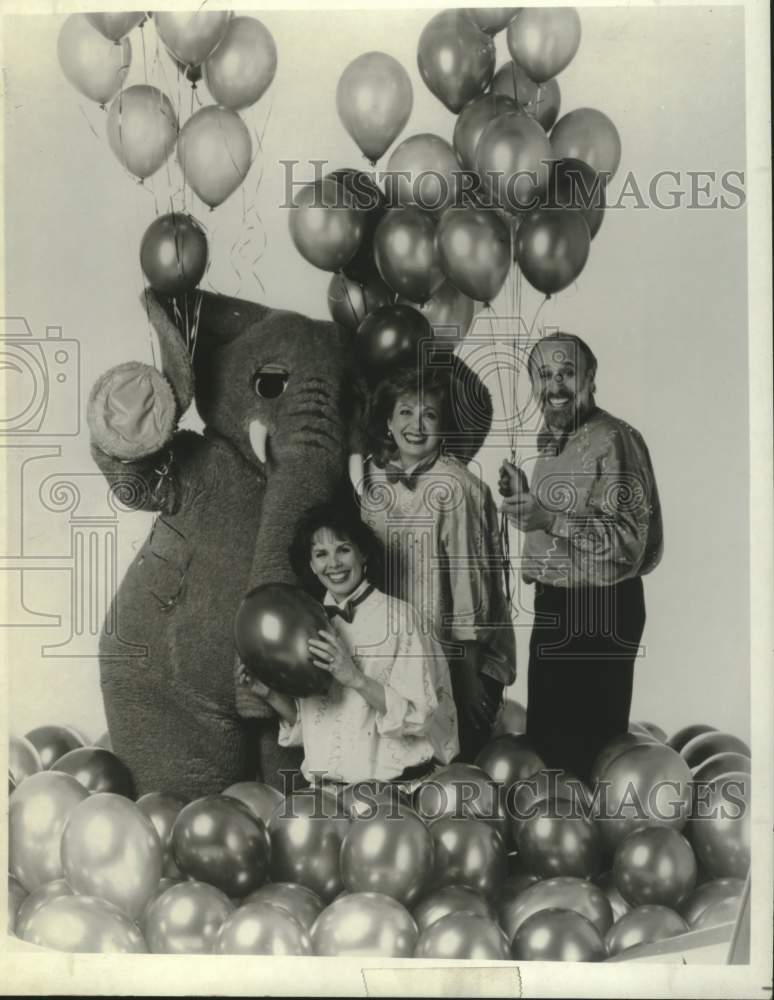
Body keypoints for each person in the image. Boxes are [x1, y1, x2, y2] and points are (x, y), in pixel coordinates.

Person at [499, 332, 663, 784]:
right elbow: (557, 522)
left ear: (590, 377)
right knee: (548, 749)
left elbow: (630, 539)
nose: (555, 385)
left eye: (566, 373)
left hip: (600, 608)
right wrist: (526, 501)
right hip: (556, 606)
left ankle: (591, 849)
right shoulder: (553, 444)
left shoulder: (613, 439)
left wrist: (546, 515)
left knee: (589, 757)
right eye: (544, 375)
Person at [238, 503, 459, 789]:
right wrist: (269, 694)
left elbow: (420, 717)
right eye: (321, 554)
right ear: (311, 565)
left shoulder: (401, 619)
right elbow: (320, 726)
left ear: (362, 553)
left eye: (343, 549)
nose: (333, 564)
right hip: (327, 797)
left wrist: (354, 677)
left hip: (390, 796)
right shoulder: (304, 622)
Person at [358, 367, 517, 763]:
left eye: (429, 415)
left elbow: (470, 594)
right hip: (399, 659)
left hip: (457, 658)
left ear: (443, 424)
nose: (416, 425)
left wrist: (468, 680)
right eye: (406, 413)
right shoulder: (371, 477)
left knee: (454, 772)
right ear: (388, 422)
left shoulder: (458, 488)